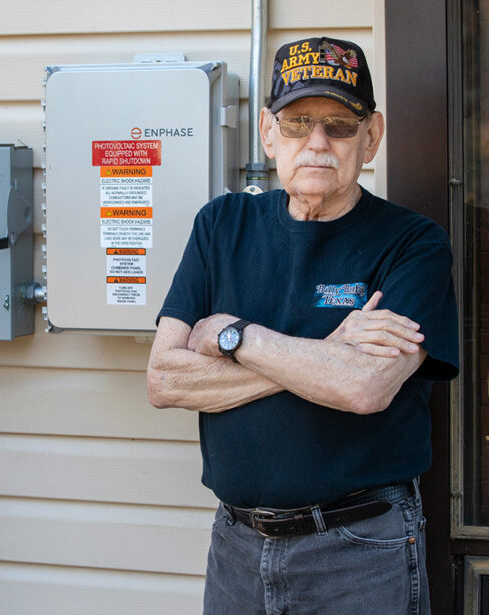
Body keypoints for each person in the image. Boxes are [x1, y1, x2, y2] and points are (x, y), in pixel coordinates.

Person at [147, 37, 458, 614]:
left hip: (360, 550)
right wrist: (330, 350)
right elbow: (166, 379)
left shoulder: (413, 244)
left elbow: (364, 388)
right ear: (268, 132)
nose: (318, 143)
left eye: (340, 125)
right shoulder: (222, 225)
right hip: (236, 544)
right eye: (297, 123)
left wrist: (236, 337)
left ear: (372, 137)